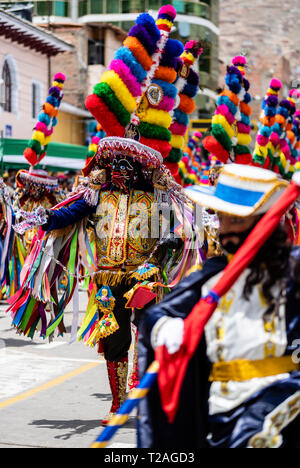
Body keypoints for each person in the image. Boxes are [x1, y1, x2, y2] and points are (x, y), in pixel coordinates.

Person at [8, 5, 203, 426]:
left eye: (124, 164)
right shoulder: (97, 195)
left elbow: (175, 237)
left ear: (139, 168)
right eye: (112, 162)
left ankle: (147, 397)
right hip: (107, 280)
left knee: (151, 339)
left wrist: (152, 270)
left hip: (146, 277)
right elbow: (69, 213)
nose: (117, 168)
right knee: (113, 342)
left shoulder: (158, 199)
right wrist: (39, 221)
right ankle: (118, 403)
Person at [137, 163, 300, 448]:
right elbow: (159, 314)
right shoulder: (211, 275)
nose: (224, 230)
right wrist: (165, 328)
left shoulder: (293, 271)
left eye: (235, 221)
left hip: (281, 400)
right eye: (222, 219)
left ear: (265, 222)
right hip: (219, 408)